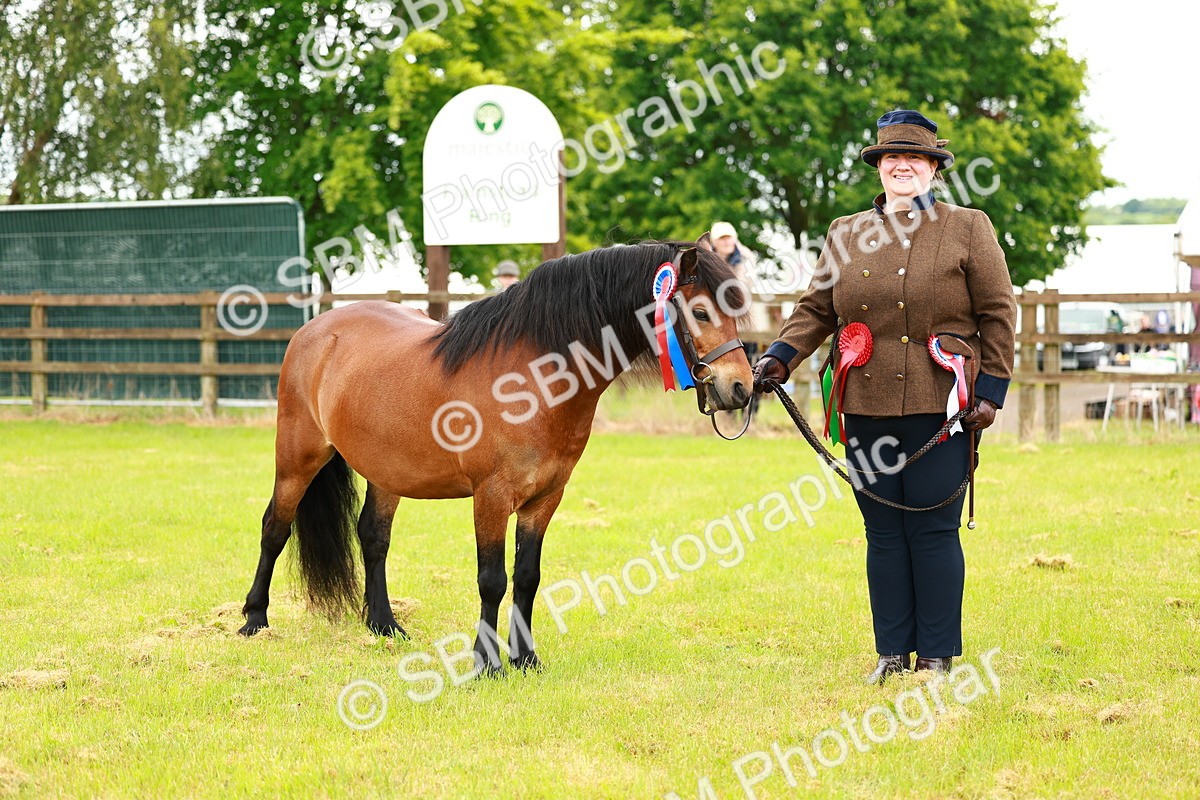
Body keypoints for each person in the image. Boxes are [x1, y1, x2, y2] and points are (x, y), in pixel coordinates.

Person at [752, 109, 1017, 685]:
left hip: (943, 406)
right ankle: (893, 653)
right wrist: (779, 356)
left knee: (932, 528)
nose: (903, 166)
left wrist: (991, 391)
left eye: (915, 158)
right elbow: (818, 309)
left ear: (933, 169)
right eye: (892, 158)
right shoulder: (845, 234)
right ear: (879, 167)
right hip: (864, 406)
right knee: (884, 533)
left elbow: (998, 315)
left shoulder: (969, 227)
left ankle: (938, 656)